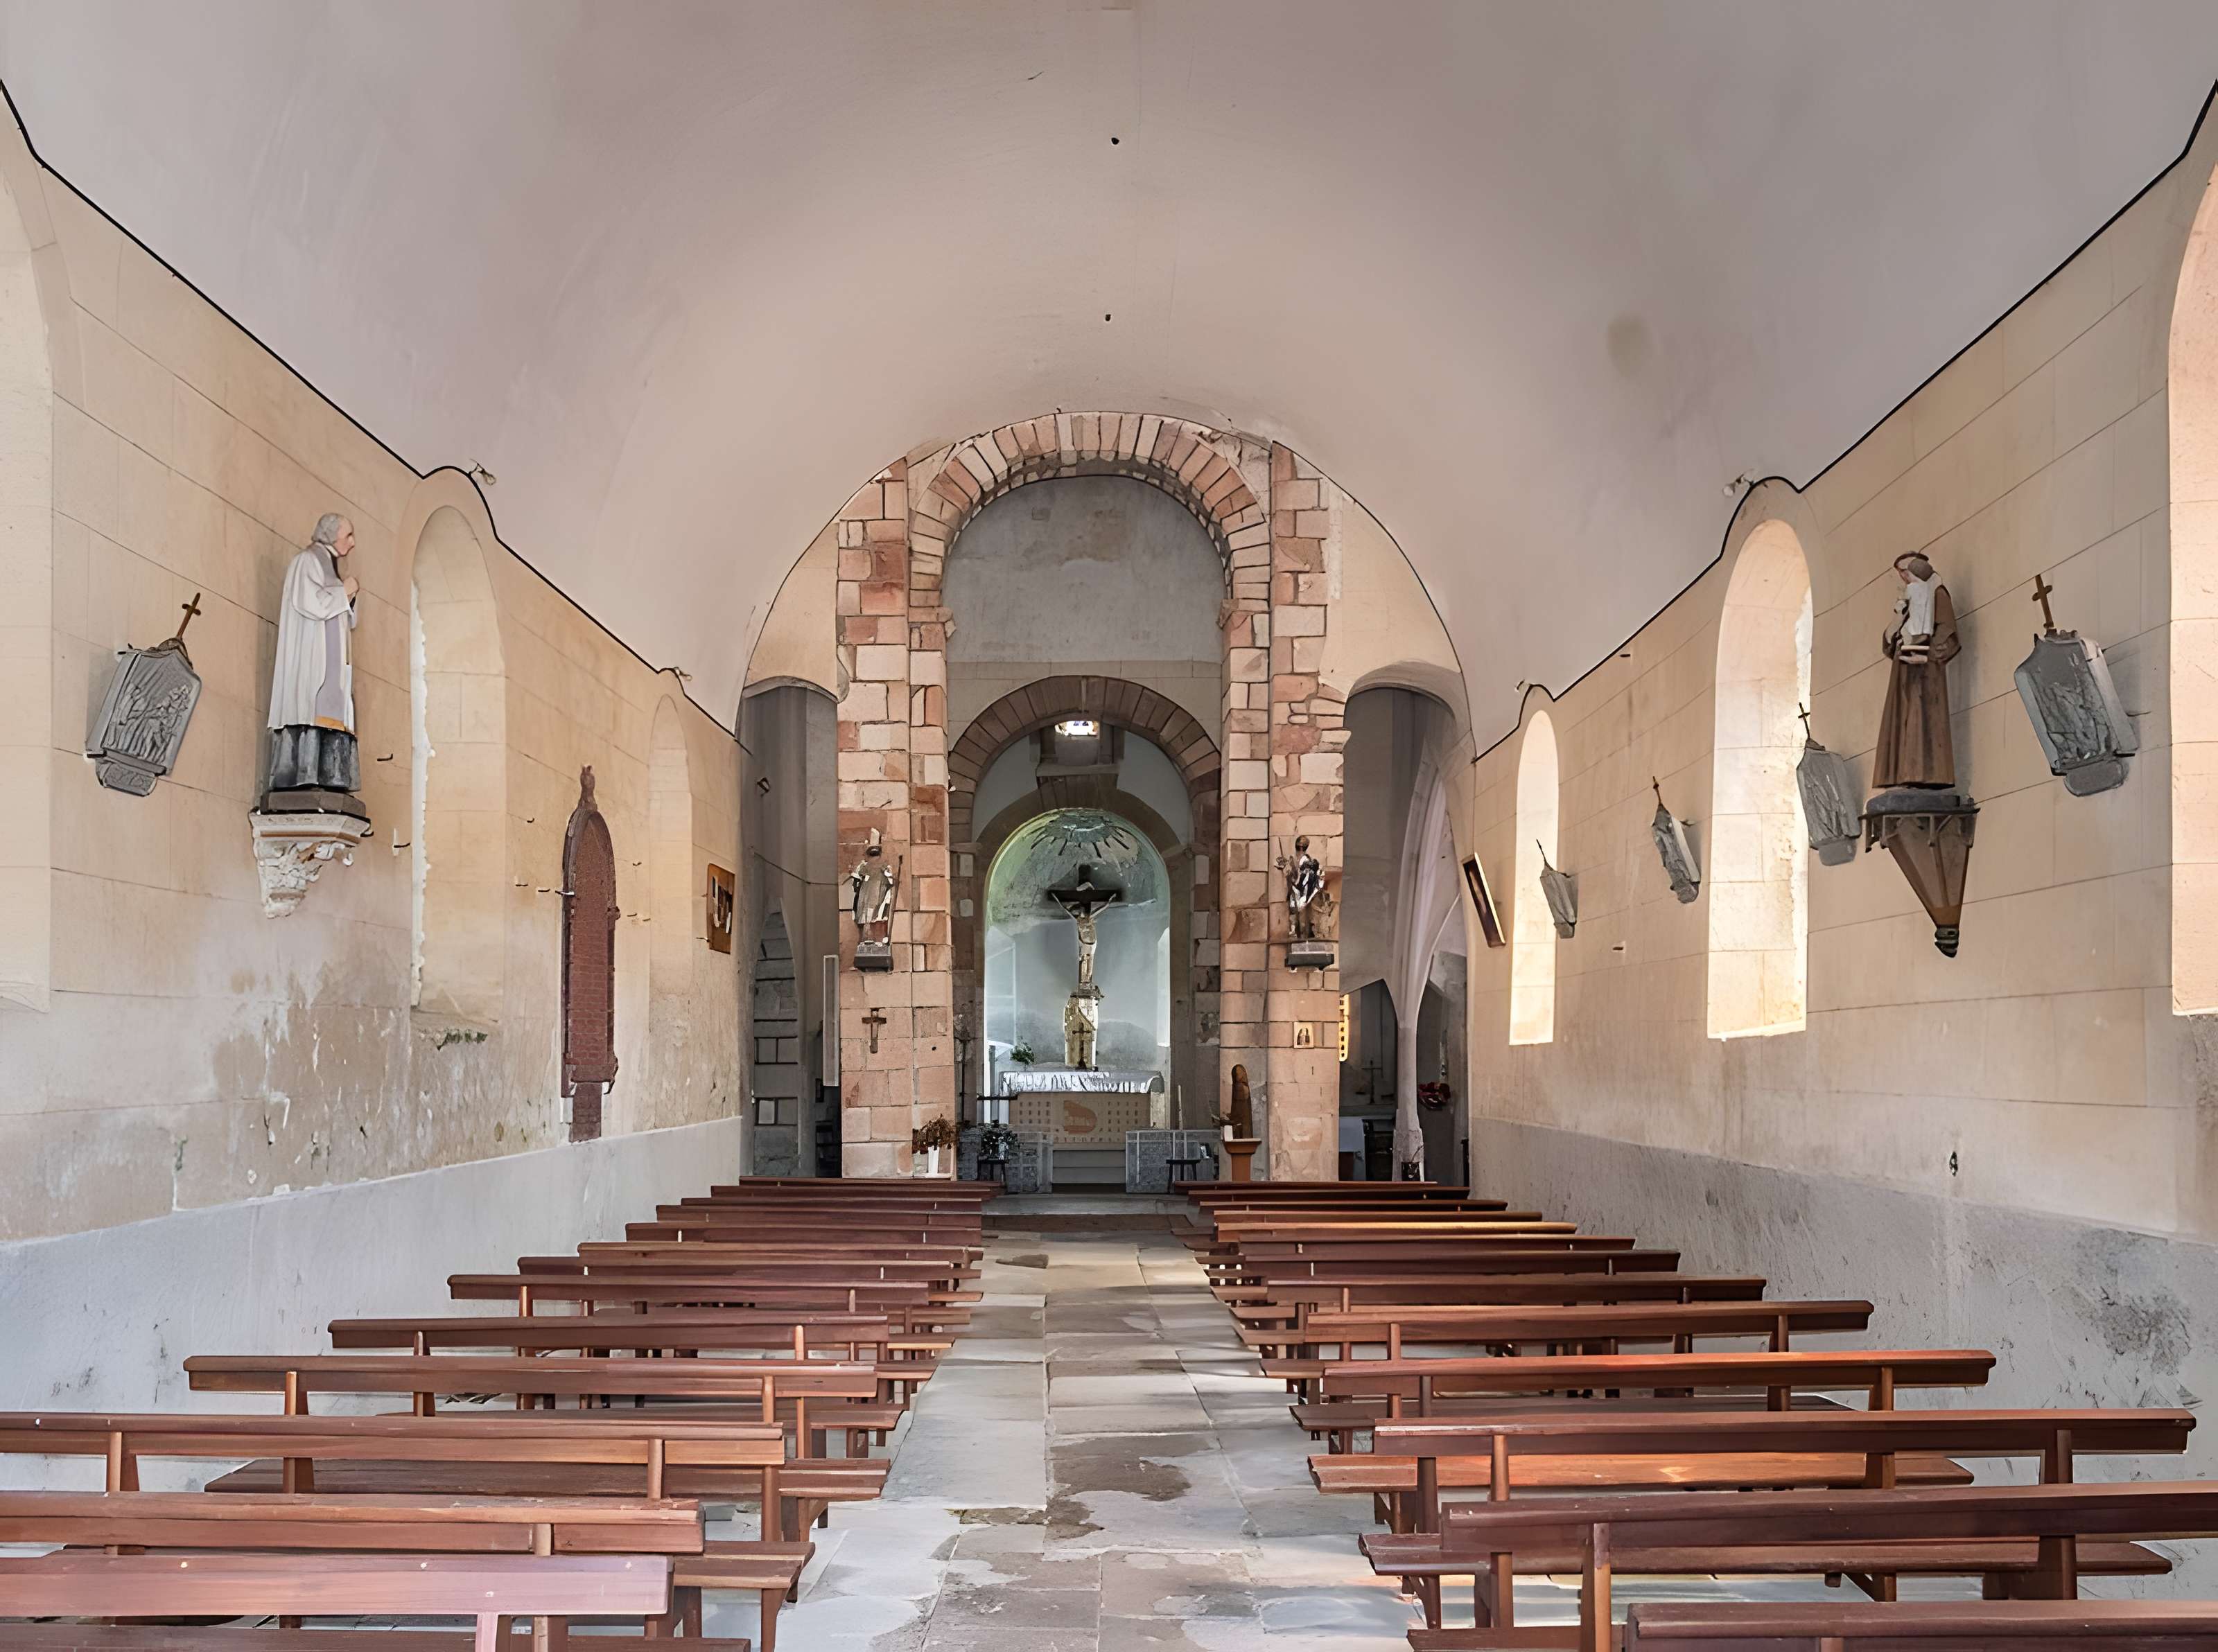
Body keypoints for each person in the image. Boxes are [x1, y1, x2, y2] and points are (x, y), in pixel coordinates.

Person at [265, 514, 361, 796]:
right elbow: (312, 604)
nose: (353, 543)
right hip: (312, 660)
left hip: (333, 667)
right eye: (349, 536)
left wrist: (349, 597)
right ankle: (303, 776)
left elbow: (348, 620)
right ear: (332, 536)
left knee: (334, 712)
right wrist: (345, 591)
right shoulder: (306, 562)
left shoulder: (331, 567)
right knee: (310, 708)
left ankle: (330, 777)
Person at [1874, 551, 1960, 789]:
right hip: (1904, 669)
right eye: (1900, 573)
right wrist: (1896, 626)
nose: (1903, 578)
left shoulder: (1937, 594)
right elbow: (1893, 639)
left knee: (1922, 721)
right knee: (1902, 719)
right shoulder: (1910, 600)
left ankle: (1926, 774)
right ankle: (1902, 772)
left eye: (1904, 571)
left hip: (1925, 673)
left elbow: (1948, 633)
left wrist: (1926, 653)